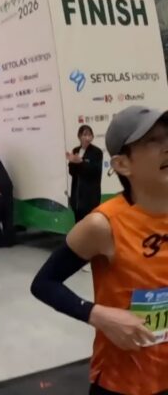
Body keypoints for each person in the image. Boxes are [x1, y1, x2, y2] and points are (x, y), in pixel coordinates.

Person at [31, 106, 168, 395]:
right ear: (122, 165)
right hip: (123, 383)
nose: (166, 146)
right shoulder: (103, 224)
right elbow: (44, 283)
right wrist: (98, 315)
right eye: (153, 141)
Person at [68, 124, 104, 223]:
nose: (87, 137)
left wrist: (81, 162)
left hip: (90, 197)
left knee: (90, 224)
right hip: (77, 197)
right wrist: (72, 163)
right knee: (78, 224)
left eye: (89, 135)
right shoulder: (76, 150)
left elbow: (95, 171)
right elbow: (72, 172)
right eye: (84, 135)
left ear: (92, 137)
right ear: (79, 136)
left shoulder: (97, 152)